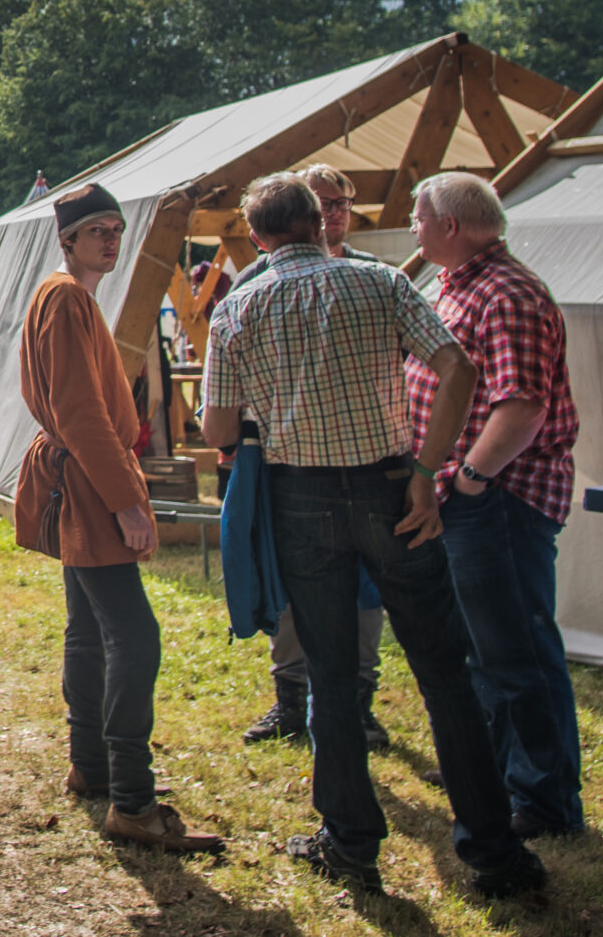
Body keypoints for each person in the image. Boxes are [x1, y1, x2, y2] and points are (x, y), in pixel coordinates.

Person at [201, 173, 542, 898]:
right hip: (392, 488)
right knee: (444, 672)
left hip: (301, 498)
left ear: (259, 236)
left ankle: (352, 843)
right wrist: (427, 468)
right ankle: (494, 853)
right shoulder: (379, 282)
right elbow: (459, 367)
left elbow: (219, 430)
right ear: (319, 222)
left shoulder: (235, 310)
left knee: (330, 673)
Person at [15, 182, 220, 853]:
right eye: (96, 229)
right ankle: (131, 799)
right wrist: (128, 501)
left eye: (114, 228)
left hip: (79, 480)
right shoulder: (67, 295)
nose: (110, 238)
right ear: (67, 238)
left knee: (86, 629)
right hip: (91, 485)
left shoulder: (64, 294)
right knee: (135, 635)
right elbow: (79, 413)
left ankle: (92, 766)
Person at [410, 171, 585, 840]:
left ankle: (542, 799)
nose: (415, 229)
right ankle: (503, 775)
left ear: (450, 226)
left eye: (419, 219)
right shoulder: (461, 285)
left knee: (515, 650)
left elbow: (523, 405)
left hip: (499, 498)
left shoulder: (506, 292)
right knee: (483, 650)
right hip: (470, 495)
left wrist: (474, 477)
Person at [228, 164, 388, 748]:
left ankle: (357, 700)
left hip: (365, 458)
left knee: (365, 589)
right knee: (292, 582)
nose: (334, 212)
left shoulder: (375, 276)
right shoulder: (253, 281)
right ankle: (291, 697)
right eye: (322, 203)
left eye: (342, 201)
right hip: (288, 462)